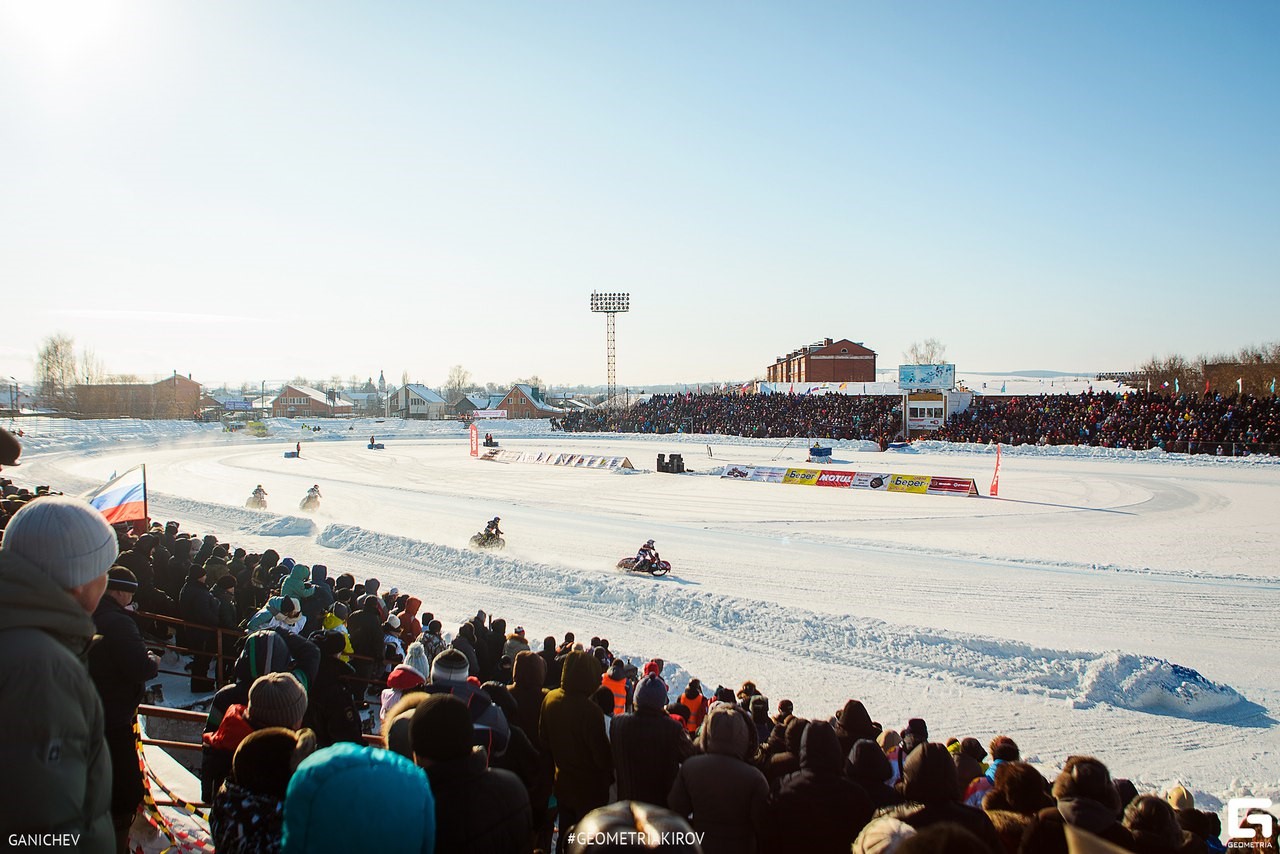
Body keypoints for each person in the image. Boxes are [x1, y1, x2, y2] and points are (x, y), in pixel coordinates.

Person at [0, 496, 117, 850]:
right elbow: (40, 831)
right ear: (79, 581)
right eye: (103, 569)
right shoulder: (41, 667)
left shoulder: (29, 640)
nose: (107, 581)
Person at [90, 567, 161, 853]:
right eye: (129, 592)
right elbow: (138, 666)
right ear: (117, 591)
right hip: (113, 718)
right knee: (122, 789)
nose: (131, 598)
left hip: (92, 711)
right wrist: (152, 660)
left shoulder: (89, 612)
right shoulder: (118, 622)